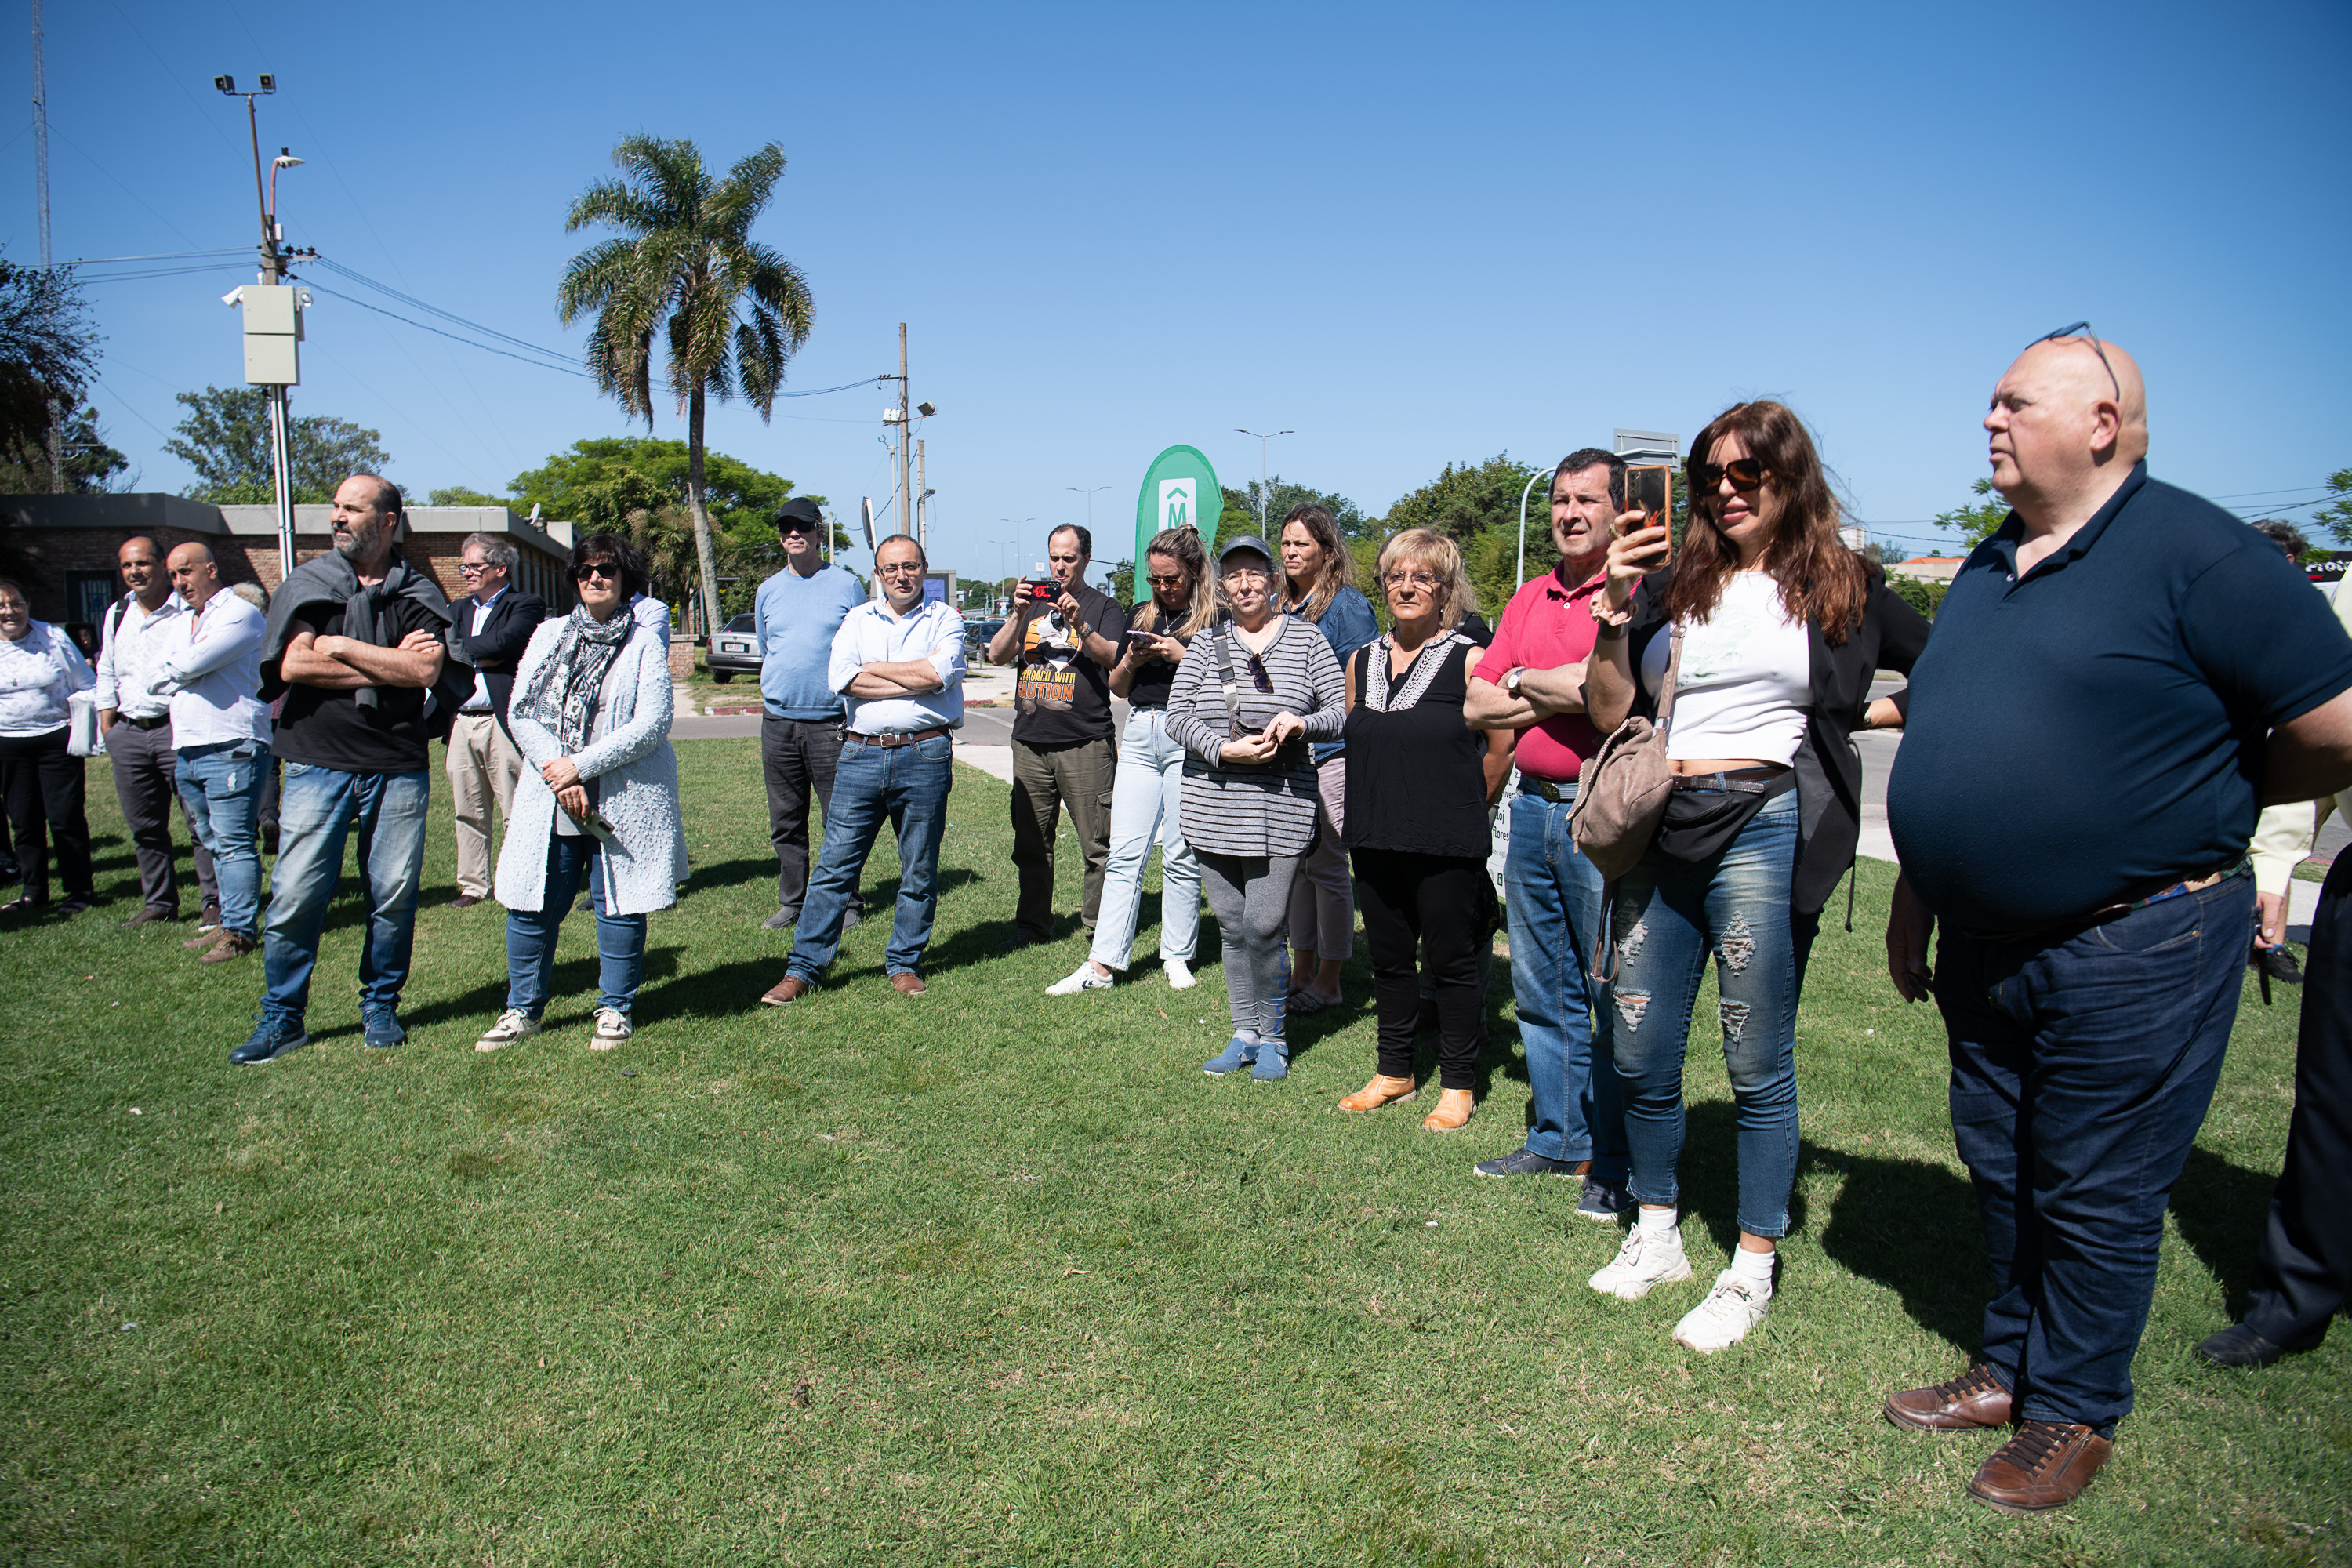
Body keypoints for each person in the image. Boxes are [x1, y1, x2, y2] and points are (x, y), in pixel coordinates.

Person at [1881, 328, 2352, 1514]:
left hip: (2138, 938)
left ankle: (2071, 1408)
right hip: (1988, 940)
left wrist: (2203, 789)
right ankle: (2008, 1365)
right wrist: (1917, 892)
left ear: (2103, 422)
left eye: (2014, 402)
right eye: (1988, 402)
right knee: (2003, 1164)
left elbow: (2335, 724)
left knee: (2095, 1184)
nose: (1989, 420)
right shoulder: (1995, 562)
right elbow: (1948, 744)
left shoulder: (2202, 552)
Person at [1584, 400, 1927, 1355]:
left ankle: (1751, 1268)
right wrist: (1615, 611)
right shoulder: (1668, 583)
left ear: (1790, 478)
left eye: (1748, 474)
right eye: (1710, 478)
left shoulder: (1842, 584)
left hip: (1765, 820)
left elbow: (1946, 664)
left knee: (1752, 1056)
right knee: (1641, 1047)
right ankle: (1657, 1238)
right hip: (1663, 822)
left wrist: (1880, 718)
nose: (1725, 492)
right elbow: (1608, 705)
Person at [234, 475, 460, 1065]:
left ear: (387, 522)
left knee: (392, 895)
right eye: (335, 508)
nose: (337, 517)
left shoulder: (417, 589)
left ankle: (380, 1003)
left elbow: (427, 672)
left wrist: (339, 647)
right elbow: (292, 665)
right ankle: (283, 1017)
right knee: (296, 895)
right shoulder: (310, 583)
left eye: (351, 509)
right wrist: (388, 667)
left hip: (396, 762)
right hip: (316, 761)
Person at [1465, 451, 1633, 1212]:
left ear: (1618, 509)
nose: (1568, 512)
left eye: (1585, 500)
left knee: (1614, 986)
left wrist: (1519, 683)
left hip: (1601, 810)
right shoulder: (1530, 596)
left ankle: (1619, 1151)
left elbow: (1611, 703)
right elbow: (1473, 703)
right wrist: (1554, 690)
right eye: (1561, 499)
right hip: (1528, 806)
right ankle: (1560, 1134)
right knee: (1540, 981)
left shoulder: (1634, 594)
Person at [472, 534, 684, 1051]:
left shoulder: (643, 644)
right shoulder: (548, 634)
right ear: (574, 578)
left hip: (622, 793)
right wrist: (557, 772)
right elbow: (522, 710)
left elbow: (652, 723)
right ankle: (522, 1010)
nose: (596, 579)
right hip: (552, 793)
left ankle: (615, 1009)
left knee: (618, 902)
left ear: (625, 581)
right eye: (586, 570)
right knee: (532, 902)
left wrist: (579, 767)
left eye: (608, 570)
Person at [1334, 529, 1512, 1130]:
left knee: (1454, 961)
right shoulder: (1361, 660)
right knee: (1389, 961)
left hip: (1445, 840)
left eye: (1424, 578)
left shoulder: (1469, 657)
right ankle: (1396, 1072)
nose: (1407, 587)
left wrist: (1467, 807)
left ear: (1446, 590)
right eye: (1395, 576)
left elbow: (1501, 747)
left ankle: (1459, 1082)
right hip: (1376, 834)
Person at [1165, 535, 1346, 1081]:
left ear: (1273, 582)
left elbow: (1339, 712)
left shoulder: (1309, 642)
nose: (1245, 585)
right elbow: (1177, 717)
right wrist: (1224, 749)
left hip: (1280, 807)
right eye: (1234, 576)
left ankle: (1274, 1034)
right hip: (1211, 805)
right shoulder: (1204, 646)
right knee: (1230, 926)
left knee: (1265, 926)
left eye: (1255, 574)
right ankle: (1243, 1032)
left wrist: (1300, 723)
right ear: (1222, 587)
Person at [761, 534, 965, 1004]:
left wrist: (875, 669)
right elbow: (842, 680)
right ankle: (804, 969)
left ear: (924, 569)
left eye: (910, 566)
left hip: (925, 754)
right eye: (891, 568)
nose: (901, 576)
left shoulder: (946, 618)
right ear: (878, 574)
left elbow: (939, 675)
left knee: (918, 868)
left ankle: (905, 963)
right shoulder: (857, 618)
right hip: (859, 753)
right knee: (835, 867)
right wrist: (910, 677)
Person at [1046, 526, 1210, 995]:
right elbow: (1117, 685)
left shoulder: (1215, 619)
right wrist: (1135, 659)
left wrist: (1184, 655)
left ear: (1195, 572)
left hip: (1188, 733)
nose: (1162, 587)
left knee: (1180, 854)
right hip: (1140, 732)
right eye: (1155, 578)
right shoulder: (1143, 613)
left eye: (1171, 579)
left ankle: (1177, 956)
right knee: (1124, 853)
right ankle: (1101, 965)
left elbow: (1226, 688)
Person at [988, 524, 1128, 947]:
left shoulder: (1104, 606)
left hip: (1085, 741)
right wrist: (1016, 612)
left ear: (1085, 558)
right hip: (1031, 741)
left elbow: (1114, 659)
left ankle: (1098, 929)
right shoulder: (1031, 607)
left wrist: (1079, 624)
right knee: (1031, 842)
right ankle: (1033, 926)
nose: (1061, 566)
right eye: (1054, 557)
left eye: (1069, 558)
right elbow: (996, 655)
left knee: (1097, 845)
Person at [1277, 504, 1381, 1014]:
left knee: (1328, 868)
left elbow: (1363, 691)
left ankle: (1331, 980)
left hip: (1333, 755)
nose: (1292, 552)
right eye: (1287, 543)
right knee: (1296, 868)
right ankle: (1301, 970)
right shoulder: (1280, 606)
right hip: (1286, 759)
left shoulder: (1348, 607)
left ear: (1326, 550)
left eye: (1303, 544)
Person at [92, 536, 219, 927]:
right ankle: (159, 903)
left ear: (162, 566)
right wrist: (108, 724)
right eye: (128, 566)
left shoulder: (189, 610)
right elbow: (107, 670)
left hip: (176, 729)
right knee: (144, 826)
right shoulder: (117, 614)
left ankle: (214, 902)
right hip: (129, 732)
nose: (135, 572)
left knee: (200, 822)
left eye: (143, 563)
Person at [756, 497, 868, 935]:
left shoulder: (845, 584)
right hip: (778, 721)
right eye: (786, 528)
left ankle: (846, 900)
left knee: (839, 819)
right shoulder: (769, 589)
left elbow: (860, 646)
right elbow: (771, 649)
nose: (793, 534)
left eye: (802, 527)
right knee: (786, 820)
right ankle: (794, 901)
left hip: (830, 723)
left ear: (820, 532)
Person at [151, 543, 268, 963]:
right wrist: (178, 668)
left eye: (187, 572)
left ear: (211, 569)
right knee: (210, 839)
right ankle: (227, 920)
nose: (180, 583)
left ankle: (240, 932)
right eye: (174, 576)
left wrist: (178, 669)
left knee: (235, 842)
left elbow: (182, 667)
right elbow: (162, 667)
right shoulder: (183, 621)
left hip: (231, 743)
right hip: (188, 744)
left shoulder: (240, 613)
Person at [444, 531, 545, 909]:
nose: (466, 572)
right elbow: (440, 647)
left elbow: (507, 644)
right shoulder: (456, 610)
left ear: (501, 568)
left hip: (502, 721)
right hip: (461, 720)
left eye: (474, 566)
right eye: (464, 566)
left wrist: (458, 653)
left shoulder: (526, 604)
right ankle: (474, 885)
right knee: (467, 806)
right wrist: (472, 654)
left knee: (514, 807)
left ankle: (520, 878)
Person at [0, 575, 96, 916]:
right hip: (8, 744)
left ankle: (78, 892)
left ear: (28, 606)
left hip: (55, 738)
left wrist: (78, 718)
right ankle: (33, 892)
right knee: (23, 821)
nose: (10, 612)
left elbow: (88, 683)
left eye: (17, 604)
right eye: (2, 606)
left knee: (65, 817)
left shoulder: (52, 638)